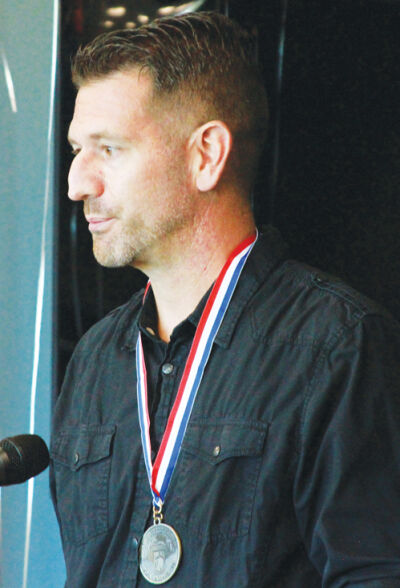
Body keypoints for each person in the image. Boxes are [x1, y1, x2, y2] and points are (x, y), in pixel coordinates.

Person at [50, 10, 400, 588]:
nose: (77, 183)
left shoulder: (338, 346)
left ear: (206, 155)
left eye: (108, 149)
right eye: (76, 150)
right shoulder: (93, 361)